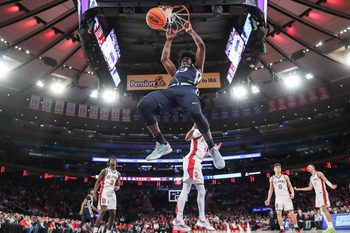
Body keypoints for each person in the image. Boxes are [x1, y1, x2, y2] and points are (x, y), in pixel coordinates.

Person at [137, 22, 225, 169]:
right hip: (171, 91)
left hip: (189, 91)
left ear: (193, 60)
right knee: (143, 105)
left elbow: (201, 46)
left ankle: (212, 148)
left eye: (188, 58)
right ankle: (162, 144)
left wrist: (191, 31)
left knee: (195, 113)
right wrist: (169, 39)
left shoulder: (197, 68)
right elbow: (164, 59)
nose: (186, 59)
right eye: (184, 59)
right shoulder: (176, 72)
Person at [172, 124, 219, 232]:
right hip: (192, 162)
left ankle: (180, 218)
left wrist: (212, 152)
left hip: (195, 162)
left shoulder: (206, 141)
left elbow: (202, 154)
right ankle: (198, 219)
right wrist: (193, 128)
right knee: (199, 190)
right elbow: (187, 138)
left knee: (190, 190)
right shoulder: (199, 132)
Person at [294, 164, 337, 233]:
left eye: (309, 167)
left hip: (322, 193)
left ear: (313, 167)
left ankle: (331, 228)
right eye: (308, 167)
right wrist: (299, 189)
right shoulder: (311, 177)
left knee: (324, 210)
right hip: (317, 195)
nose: (308, 168)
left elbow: (325, 180)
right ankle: (330, 227)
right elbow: (310, 188)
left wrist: (331, 186)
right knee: (322, 212)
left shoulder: (319, 173)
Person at [264, 163, 301, 233]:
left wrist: (292, 193)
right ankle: (282, 229)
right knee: (278, 213)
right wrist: (268, 199)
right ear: (274, 169)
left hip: (286, 196)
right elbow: (270, 189)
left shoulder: (285, 176)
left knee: (292, 213)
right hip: (278, 198)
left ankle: (296, 227)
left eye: (279, 167)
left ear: (281, 169)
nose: (278, 169)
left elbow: (290, 186)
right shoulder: (272, 178)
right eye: (276, 167)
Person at [92, 156, 121, 233]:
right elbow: (98, 181)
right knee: (103, 211)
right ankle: (95, 230)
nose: (113, 160)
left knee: (113, 213)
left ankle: (108, 231)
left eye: (114, 159)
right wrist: (94, 193)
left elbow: (118, 185)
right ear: (109, 162)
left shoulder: (118, 174)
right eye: (111, 159)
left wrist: (117, 188)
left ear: (116, 162)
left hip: (112, 193)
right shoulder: (105, 171)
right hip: (104, 191)